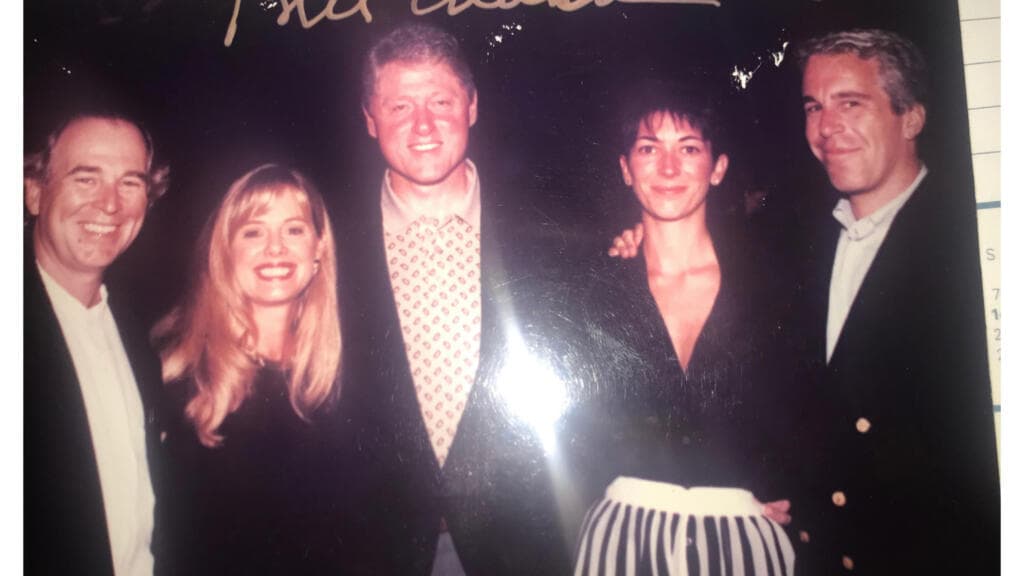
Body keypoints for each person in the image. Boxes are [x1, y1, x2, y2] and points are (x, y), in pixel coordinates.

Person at [334, 22, 575, 575]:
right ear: (370, 119)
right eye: (398, 107)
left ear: (471, 107)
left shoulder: (553, 232)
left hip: (523, 549)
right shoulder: (326, 240)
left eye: (441, 101)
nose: (422, 124)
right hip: (377, 549)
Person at [565, 81, 796, 576]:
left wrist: (801, 490)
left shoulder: (777, 285)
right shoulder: (590, 293)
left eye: (688, 148)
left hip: (746, 542)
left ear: (718, 167)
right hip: (621, 542)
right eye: (649, 149)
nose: (669, 168)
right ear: (626, 169)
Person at [791, 28, 1000, 574]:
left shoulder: (977, 246)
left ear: (911, 118)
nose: (826, 127)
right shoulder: (794, 246)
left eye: (850, 104)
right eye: (814, 107)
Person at [151, 164, 343, 575]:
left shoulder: (335, 377)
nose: (275, 248)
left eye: (293, 229)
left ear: (319, 249)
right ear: (225, 251)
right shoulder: (175, 372)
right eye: (253, 232)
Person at [24, 110, 170, 575]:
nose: (110, 204)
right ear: (33, 191)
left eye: (131, 182)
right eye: (86, 179)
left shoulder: (142, 327)